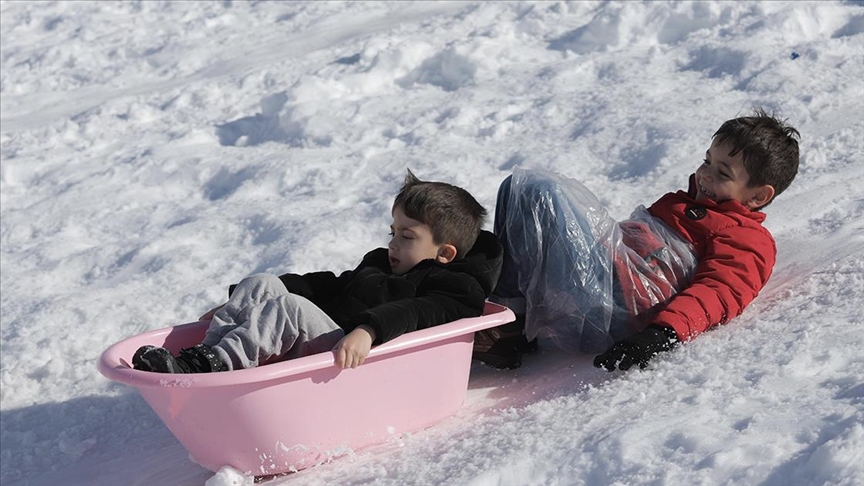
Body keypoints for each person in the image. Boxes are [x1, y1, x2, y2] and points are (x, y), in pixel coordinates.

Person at [473, 108, 800, 371]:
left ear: (758, 196)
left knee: (544, 192)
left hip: (615, 311)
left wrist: (662, 334)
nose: (706, 175)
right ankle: (508, 314)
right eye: (706, 161)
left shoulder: (747, 236)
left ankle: (509, 325)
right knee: (520, 188)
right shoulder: (683, 203)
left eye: (723, 173)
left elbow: (720, 291)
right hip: (606, 282)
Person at [133, 170, 503, 373]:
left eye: (406, 236)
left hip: (358, 359)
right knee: (264, 283)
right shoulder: (380, 263)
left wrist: (368, 329)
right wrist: (242, 302)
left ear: (444, 253)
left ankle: (215, 365)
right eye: (392, 232)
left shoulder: (455, 288)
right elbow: (333, 286)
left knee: (290, 308)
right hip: (340, 341)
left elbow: (416, 312)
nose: (393, 244)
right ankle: (203, 355)